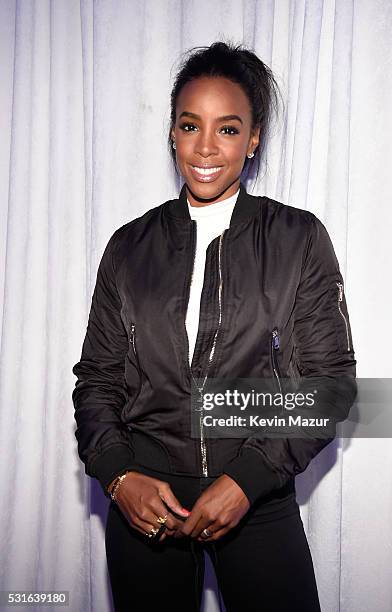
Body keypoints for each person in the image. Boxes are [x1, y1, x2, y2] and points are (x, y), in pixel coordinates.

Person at [72, 41, 357, 612]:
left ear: (253, 141)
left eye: (228, 129)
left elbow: (331, 387)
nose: (205, 147)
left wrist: (247, 479)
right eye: (189, 125)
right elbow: (97, 382)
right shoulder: (129, 247)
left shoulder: (297, 238)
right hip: (144, 501)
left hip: (255, 494)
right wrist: (119, 475)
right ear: (172, 134)